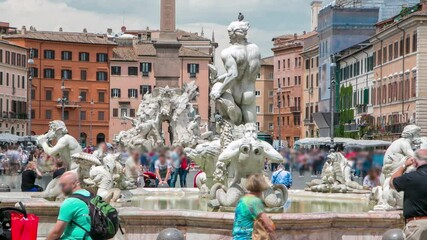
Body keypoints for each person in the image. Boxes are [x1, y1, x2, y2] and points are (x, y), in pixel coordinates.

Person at [390, 149, 427, 240]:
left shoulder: (410, 177)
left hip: (417, 226)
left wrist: (404, 165)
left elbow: (392, 183)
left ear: (414, 162)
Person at [47, 172, 92, 240]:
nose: (61, 188)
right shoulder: (91, 195)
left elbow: (56, 233)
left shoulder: (70, 202)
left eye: (63, 185)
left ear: (74, 184)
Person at [233, 174, 275, 239]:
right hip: (247, 237)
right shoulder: (255, 201)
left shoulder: (242, 199)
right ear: (261, 185)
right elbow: (268, 224)